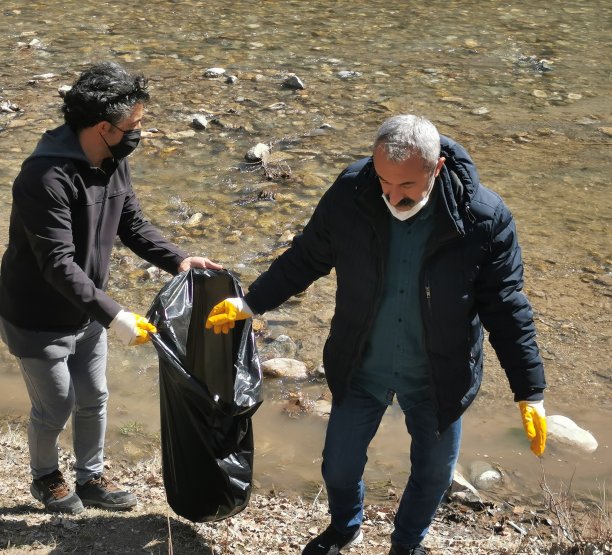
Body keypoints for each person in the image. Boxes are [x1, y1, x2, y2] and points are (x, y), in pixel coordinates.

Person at [206, 115, 547, 555]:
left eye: (405, 186)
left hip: (438, 374)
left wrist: (530, 390)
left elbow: (506, 306)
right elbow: (307, 257)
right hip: (361, 364)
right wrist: (250, 304)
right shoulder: (352, 194)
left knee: (432, 475)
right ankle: (346, 528)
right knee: (339, 468)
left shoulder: (482, 218)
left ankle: (407, 544)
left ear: (436, 168)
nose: (391, 194)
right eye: (384, 180)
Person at [0, 62, 221, 515]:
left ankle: (91, 478)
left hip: (88, 312)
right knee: (57, 405)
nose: (140, 133)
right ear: (104, 127)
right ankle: (45, 478)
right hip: (36, 318)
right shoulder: (45, 178)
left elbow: (132, 223)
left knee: (94, 397)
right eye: (134, 125)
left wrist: (177, 259)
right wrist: (116, 315)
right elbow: (57, 265)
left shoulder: (113, 162)